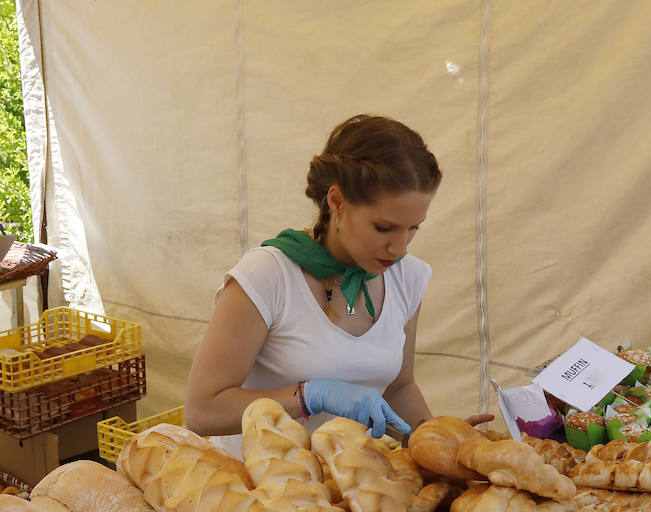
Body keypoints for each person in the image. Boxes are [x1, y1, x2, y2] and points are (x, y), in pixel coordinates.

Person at [185, 113, 489, 455]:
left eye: (414, 227)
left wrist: (436, 440)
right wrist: (310, 396)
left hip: (350, 485)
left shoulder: (408, 276)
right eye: (384, 228)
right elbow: (202, 411)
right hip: (257, 486)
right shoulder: (268, 275)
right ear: (337, 202)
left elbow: (399, 387)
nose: (400, 248)